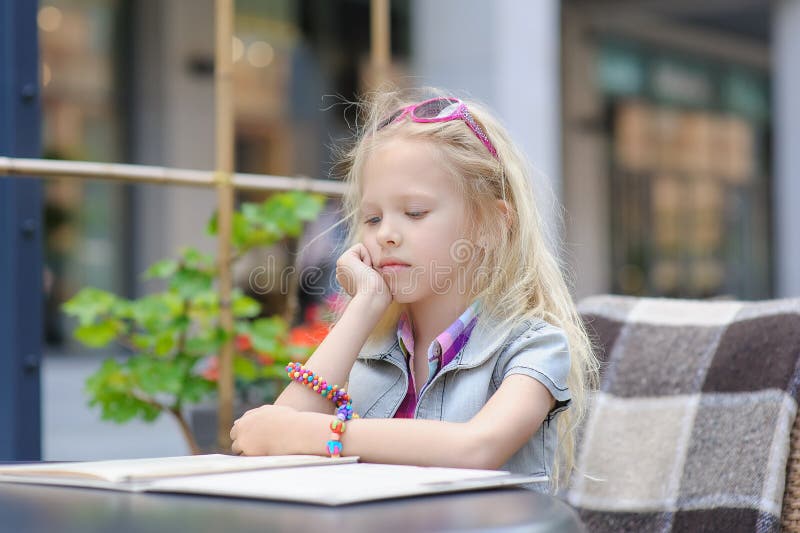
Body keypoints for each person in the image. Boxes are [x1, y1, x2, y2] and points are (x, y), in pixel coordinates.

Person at [230, 88, 599, 492]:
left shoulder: (533, 345)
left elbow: (477, 447)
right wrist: (362, 309)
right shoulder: (371, 347)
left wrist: (320, 435)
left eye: (415, 212)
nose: (386, 233)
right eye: (372, 218)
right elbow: (271, 443)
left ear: (491, 226)